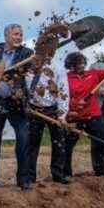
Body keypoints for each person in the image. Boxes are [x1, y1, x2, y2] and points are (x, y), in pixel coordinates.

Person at [0, 23, 34, 189]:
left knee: (24, 140)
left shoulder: (27, 53)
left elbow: (30, 69)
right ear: (6, 36)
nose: (18, 37)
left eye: (20, 34)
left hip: (16, 103)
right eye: (15, 34)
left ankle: (24, 180)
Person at [63, 51, 104, 178]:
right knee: (66, 144)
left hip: (93, 114)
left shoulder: (93, 74)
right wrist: (75, 103)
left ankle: (100, 171)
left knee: (102, 139)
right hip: (73, 116)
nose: (82, 66)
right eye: (78, 64)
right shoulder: (65, 78)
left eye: (83, 63)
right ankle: (65, 173)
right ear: (71, 65)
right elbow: (62, 97)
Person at [24, 55, 71, 184]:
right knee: (31, 144)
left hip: (53, 109)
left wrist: (62, 115)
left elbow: (63, 90)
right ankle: (29, 176)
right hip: (33, 109)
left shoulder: (57, 67)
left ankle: (59, 174)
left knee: (59, 142)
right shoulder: (27, 64)